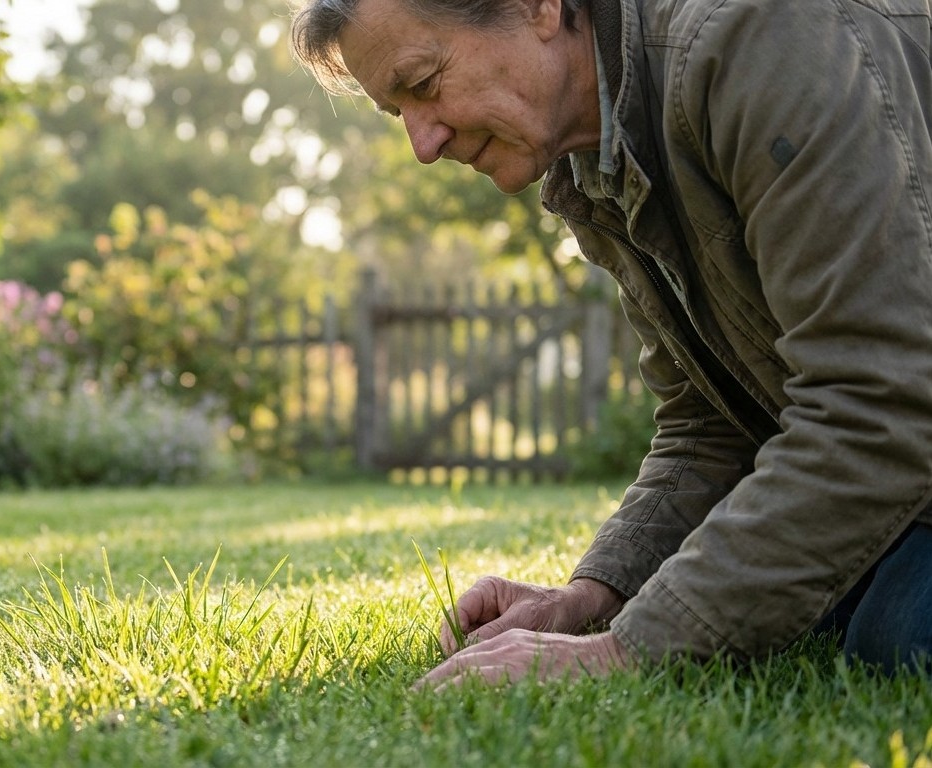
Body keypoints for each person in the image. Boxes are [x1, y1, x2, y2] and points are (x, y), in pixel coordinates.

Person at [290, 0, 932, 687]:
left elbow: (880, 400)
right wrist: (598, 596)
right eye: (399, 113)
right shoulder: (594, 158)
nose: (422, 143)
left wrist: (628, 652)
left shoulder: (759, 36)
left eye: (422, 83)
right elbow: (710, 422)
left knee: (891, 629)